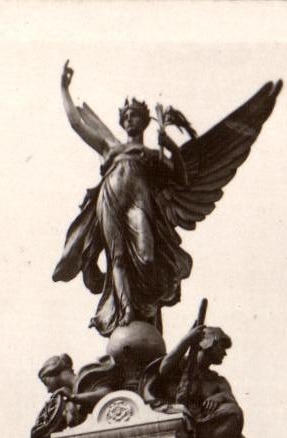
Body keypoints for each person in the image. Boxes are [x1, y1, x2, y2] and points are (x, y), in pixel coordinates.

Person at [53, 63, 191, 336]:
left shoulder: (152, 156)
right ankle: (127, 310)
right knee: (117, 258)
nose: (130, 120)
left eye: (135, 115)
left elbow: (182, 179)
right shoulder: (110, 147)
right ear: (121, 121)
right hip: (110, 201)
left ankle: (146, 309)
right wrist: (64, 89)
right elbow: (77, 123)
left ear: (144, 120)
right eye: (126, 116)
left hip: (139, 202)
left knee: (147, 256)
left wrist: (171, 145)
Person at [142, 321, 261, 438]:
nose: (225, 353)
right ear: (207, 344)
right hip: (187, 423)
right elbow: (164, 369)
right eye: (222, 346)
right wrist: (187, 339)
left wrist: (220, 397)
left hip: (207, 428)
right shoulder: (183, 365)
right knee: (232, 413)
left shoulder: (217, 380)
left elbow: (231, 401)